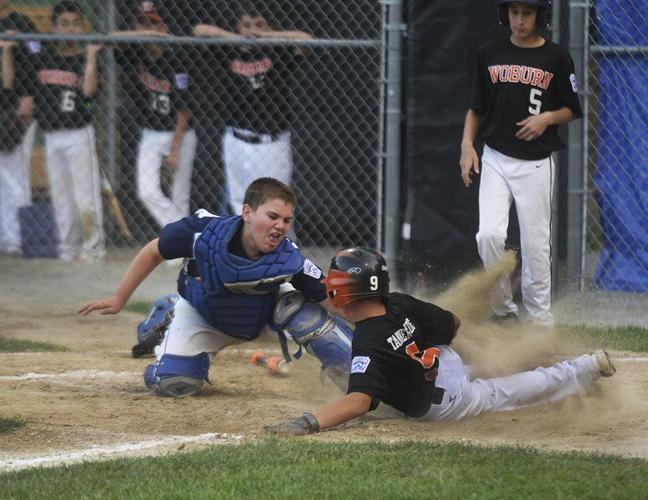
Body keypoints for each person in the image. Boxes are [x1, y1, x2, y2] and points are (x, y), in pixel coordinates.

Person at [265, 247, 616, 435]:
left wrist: (308, 422)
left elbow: (358, 402)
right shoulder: (399, 302)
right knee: (489, 367)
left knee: (503, 392)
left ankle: (582, 369)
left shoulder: (367, 343)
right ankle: (558, 359)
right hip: (446, 361)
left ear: (343, 294)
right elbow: (453, 323)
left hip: (446, 401)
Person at [78, 177, 353, 397]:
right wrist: (119, 298)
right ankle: (169, 312)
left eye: (286, 220)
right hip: (205, 315)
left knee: (307, 316)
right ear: (247, 212)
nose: (280, 226)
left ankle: (358, 379)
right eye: (272, 216)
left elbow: (330, 299)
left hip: (262, 315)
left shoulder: (287, 256)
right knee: (175, 383)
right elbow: (154, 251)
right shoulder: (203, 232)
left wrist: (378, 326)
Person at [459, 0, 582, 326]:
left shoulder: (556, 56)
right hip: (496, 158)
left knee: (535, 245)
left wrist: (547, 119)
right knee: (488, 236)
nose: (519, 19)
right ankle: (503, 313)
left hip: (536, 163)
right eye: (514, 12)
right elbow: (476, 106)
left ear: (539, 16)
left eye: (526, 13)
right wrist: (467, 145)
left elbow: (572, 108)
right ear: (505, 15)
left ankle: (540, 320)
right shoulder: (489, 54)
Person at [194, 1, 313, 212]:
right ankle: (245, 245)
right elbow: (199, 31)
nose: (252, 31)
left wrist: (267, 36)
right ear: (239, 28)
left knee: (275, 206)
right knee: (241, 206)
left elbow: (306, 40)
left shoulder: (278, 53)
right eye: (247, 25)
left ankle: (283, 245)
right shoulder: (230, 52)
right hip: (236, 139)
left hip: (271, 143)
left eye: (259, 25)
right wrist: (238, 38)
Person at [20, 1, 104, 261]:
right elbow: (27, 90)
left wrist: (90, 57)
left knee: (85, 199)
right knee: (61, 200)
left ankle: (93, 251)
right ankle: (68, 250)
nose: (70, 29)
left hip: (78, 134)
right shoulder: (43, 56)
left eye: (75, 23)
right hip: (51, 137)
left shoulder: (83, 58)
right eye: (64, 24)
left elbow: (89, 93)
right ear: (54, 27)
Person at [112, 4, 197, 229]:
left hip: (180, 132)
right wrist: (142, 33)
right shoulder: (135, 53)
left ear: (165, 27)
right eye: (143, 23)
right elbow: (111, 38)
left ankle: (182, 251)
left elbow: (183, 108)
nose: (149, 28)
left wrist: (175, 149)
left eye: (154, 23)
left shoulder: (177, 57)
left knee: (180, 196)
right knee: (146, 191)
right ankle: (184, 236)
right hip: (151, 132)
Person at [0, 0, 37, 255]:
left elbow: (35, 65)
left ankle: (17, 238)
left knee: (14, 175)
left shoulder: (22, 24)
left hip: (15, 109)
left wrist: (29, 96)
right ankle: (5, 236)